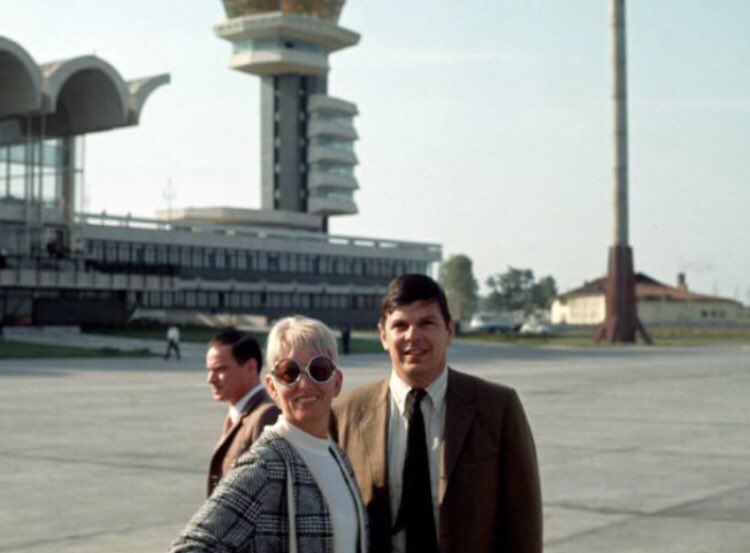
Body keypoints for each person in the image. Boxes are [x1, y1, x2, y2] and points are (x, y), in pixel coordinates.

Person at [332, 274, 542, 553]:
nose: (412, 336)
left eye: (426, 323)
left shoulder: (498, 408)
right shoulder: (345, 415)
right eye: (400, 325)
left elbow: (523, 526)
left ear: (449, 331)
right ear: (383, 336)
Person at [171, 316, 367, 553]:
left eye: (319, 369)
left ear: (336, 382)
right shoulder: (266, 464)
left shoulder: (338, 458)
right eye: (289, 372)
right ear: (272, 386)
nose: (304, 383)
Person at [205, 329, 280, 496]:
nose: (210, 379)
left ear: (251, 368)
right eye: (209, 370)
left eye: (220, 369)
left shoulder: (266, 416)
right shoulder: (238, 415)